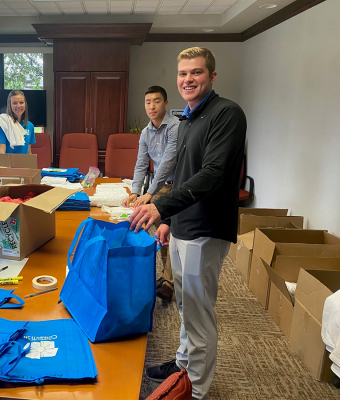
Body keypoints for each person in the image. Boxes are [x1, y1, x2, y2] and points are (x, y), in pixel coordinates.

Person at [128, 47, 246, 399]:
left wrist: (162, 207)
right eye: (182, 74)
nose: (188, 79)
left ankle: (196, 389)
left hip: (206, 229)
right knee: (184, 305)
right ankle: (183, 365)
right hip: (183, 225)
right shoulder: (188, 118)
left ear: (211, 76)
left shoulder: (227, 114)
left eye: (196, 72)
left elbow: (211, 175)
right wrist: (170, 219)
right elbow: (182, 174)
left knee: (199, 312)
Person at [122, 85, 179, 301]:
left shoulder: (175, 126)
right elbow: (141, 163)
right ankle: (167, 278)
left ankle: (170, 282)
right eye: (148, 102)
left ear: (165, 103)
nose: (152, 106)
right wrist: (136, 192)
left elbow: (168, 161)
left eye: (156, 101)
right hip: (161, 185)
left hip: (180, 184)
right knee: (159, 229)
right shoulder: (145, 133)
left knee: (171, 230)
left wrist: (150, 192)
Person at [0, 90, 36, 154]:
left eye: (21, 102)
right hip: (5, 163)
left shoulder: (30, 126)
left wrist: (32, 163)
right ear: (10, 105)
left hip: (23, 163)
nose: (18, 106)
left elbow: (28, 152)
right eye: (15, 103)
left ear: (25, 104)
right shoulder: (2, 124)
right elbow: (1, 153)